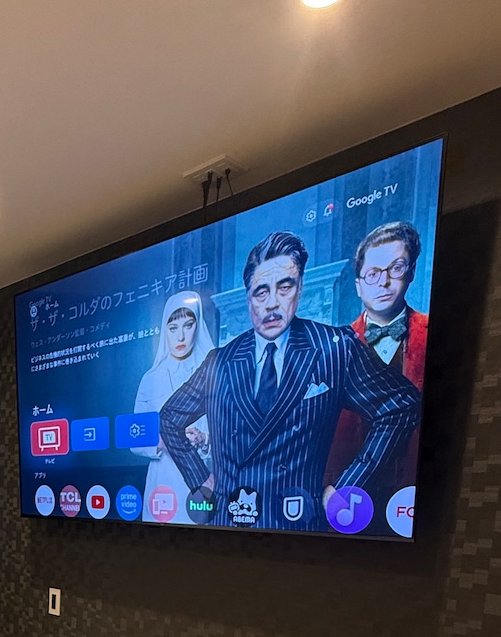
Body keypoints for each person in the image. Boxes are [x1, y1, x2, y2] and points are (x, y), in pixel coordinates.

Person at [159, 232, 419, 531]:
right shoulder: (220, 361)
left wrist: (348, 486)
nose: (272, 303)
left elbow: (401, 405)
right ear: (248, 297)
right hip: (226, 529)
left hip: (298, 530)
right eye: (261, 292)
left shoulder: (333, 348)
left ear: (300, 288)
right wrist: (200, 479)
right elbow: (169, 418)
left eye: (284, 287)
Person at [326, 221, 428, 486]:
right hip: (345, 493)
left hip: (415, 490)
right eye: (372, 273)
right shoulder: (334, 346)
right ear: (358, 286)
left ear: (411, 272)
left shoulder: (433, 333)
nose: (384, 282)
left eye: (396, 268)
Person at [132, 291, 215, 523]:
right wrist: (162, 442)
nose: (180, 336)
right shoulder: (151, 378)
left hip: (203, 476)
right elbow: (133, 437)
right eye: (173, 328)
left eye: (188, 325)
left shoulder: (214, 373)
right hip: (162, 481)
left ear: (198, 326)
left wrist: (204, 440)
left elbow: (230, 432)